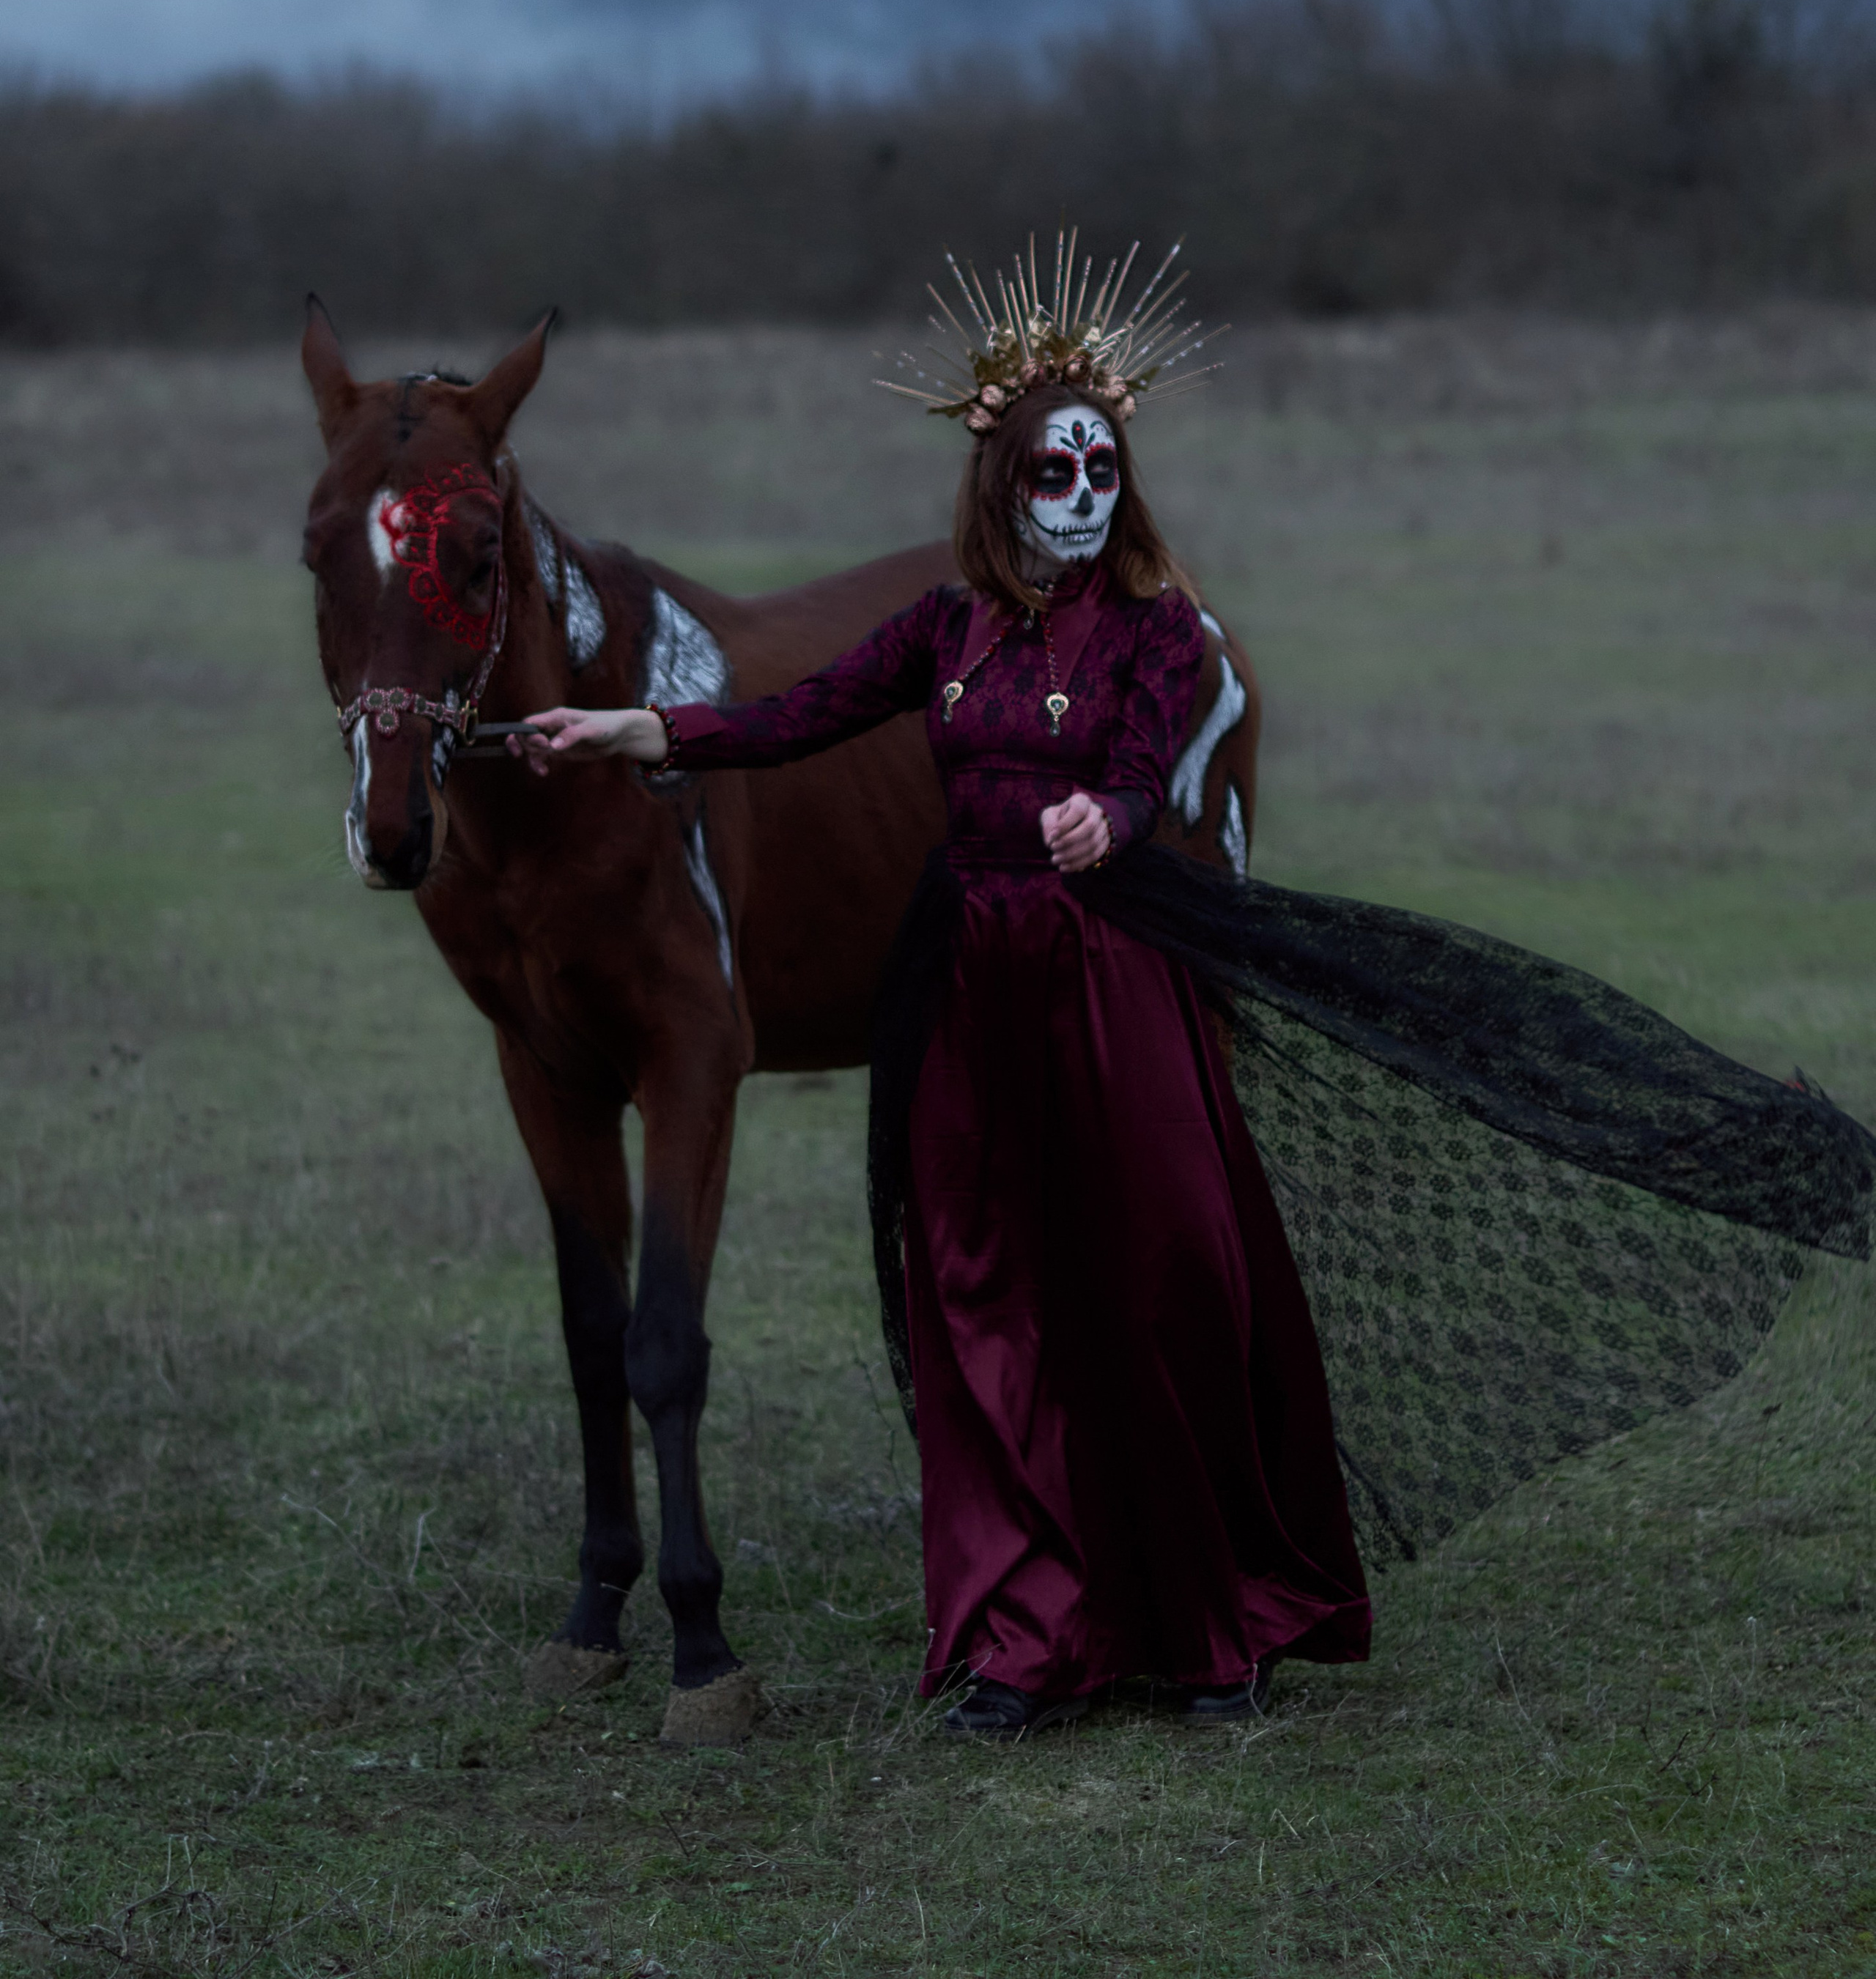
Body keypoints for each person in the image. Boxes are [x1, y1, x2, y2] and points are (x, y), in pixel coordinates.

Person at [515, 242, 1876, 1742]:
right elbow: (792, 715)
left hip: (1113, 989)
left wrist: (1104, 811)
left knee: (1165, 1278)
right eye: (1052, 468)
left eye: (1102, 464)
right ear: (1001, 484)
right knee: (987, 1301)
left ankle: (1212, 1624)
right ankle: (1030, 1636)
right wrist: (634, 727)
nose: (1084, 491)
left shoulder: (1154, 632)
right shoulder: (940, 632)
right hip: (969, 1000)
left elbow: (1138, 749)